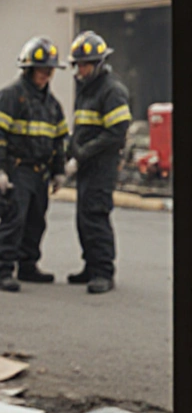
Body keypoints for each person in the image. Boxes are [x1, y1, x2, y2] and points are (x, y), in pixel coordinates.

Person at [0, 37, 68, 293]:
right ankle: (2, 271)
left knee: (36, 221)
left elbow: (58, 141)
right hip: (17, 169)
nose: (46, 75)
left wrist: (58, 171)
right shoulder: (10, 97)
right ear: (28, 68)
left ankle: (28, 265)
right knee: (14, 220)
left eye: (49, 70)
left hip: (40, 172)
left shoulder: (53, 105)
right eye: (41, 69)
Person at [64, 31, 131, 294]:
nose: (81, 69)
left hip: (101, 165)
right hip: (87, 165)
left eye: (86, 64)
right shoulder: (86, 90)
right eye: (78, 64)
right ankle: (90, 266)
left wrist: (82, 154)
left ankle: (103, 271)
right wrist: (72, 153)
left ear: (99, 63)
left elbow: (115, 134)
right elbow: (81, 128)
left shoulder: (112, 91)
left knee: (95, 215)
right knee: (83, 217)